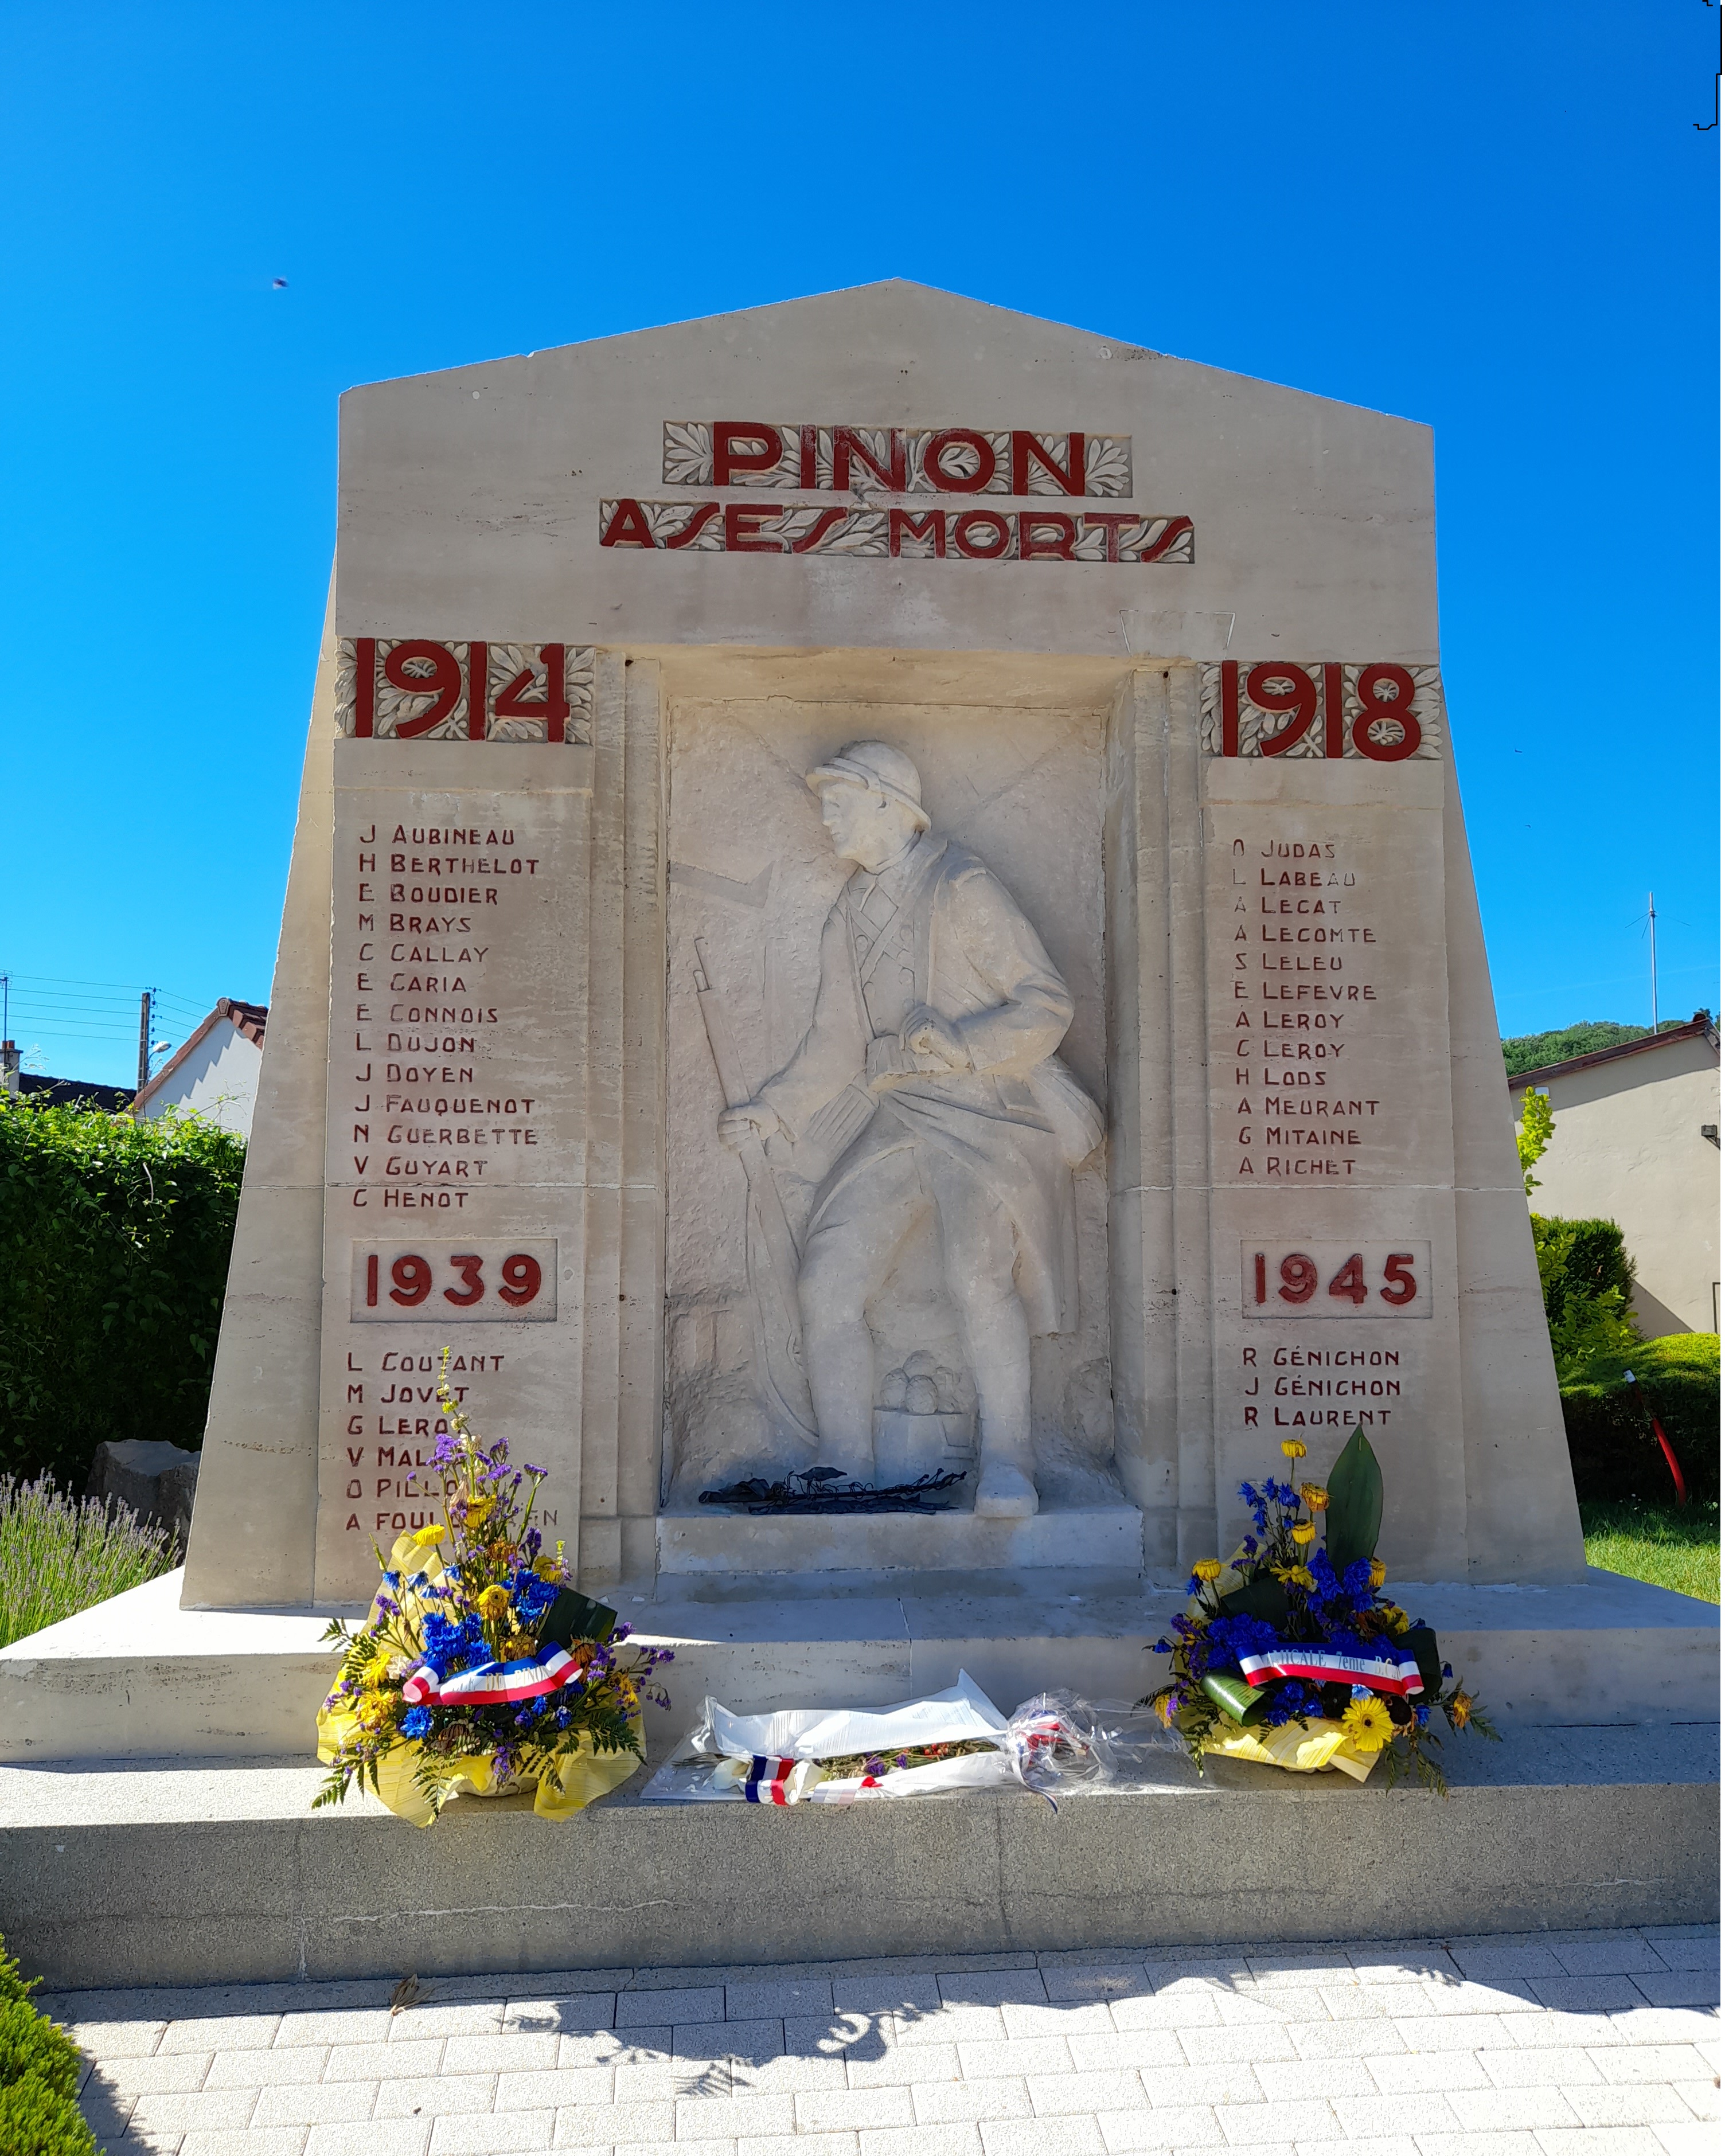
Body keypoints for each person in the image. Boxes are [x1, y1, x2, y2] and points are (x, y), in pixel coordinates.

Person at [719, 741, 1096, 1518]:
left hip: (985, 1112)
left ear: (891, 805)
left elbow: (1046, 1004)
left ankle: (1009, 1462)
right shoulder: (850, 910)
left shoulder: (962, 885)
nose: (827, 819)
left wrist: (961, 1044)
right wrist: (776, 1107)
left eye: (840, 803)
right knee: (827, 1278)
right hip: (900, 1115)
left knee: (977, 1275)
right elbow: (835, 1040)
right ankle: (844, 1461)